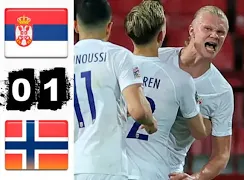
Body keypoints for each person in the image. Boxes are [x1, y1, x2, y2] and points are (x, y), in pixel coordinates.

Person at [123, 1, 211, 180]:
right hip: (154, 173)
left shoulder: (115, 70)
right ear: (161, 35)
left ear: (130, 34)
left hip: (114, 171)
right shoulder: (180, 79)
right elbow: (199, 132)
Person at [73, 0, 158, 179]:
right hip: (107, 167)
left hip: (70, 165)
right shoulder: (119, 56)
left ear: (75, 26)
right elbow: (138, 110)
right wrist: (150, 123)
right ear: (109, 27)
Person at [158, 6, 234, 180]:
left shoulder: (222, 91)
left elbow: (221, 154)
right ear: (192, 30)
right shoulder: (158, 59)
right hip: (127, 164)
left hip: (168, 172)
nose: (215, 35)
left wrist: (196, 178)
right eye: (208, 28)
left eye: (221, 32)